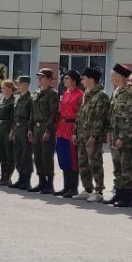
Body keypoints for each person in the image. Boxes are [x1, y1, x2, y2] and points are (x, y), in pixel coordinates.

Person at [106, 64, 132, 207]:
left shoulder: (131, 93)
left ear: (120, 76)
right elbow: (111, 114)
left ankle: (126, 197)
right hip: (114, 135)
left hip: (125, 138)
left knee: (126, 167)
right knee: (117, 167)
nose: (111, 77)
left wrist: (123, 137)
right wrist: (109, 132)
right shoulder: (116, 91)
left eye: (112, 75)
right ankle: (118, 193)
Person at [76, 68, 110, 201]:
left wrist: (94, 136)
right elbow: (80, 114)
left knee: (95, 163)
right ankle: (87, 188)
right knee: (83, 162)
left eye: (84, 78)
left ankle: (99, 191)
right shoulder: (87, 94)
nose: (82, 81)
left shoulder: (101, 96)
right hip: (82, 134)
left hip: (92, 136)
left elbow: (100, 118)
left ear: (91, 79)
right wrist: (75, 132)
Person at [54, 70, 83, 198]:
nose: (64, 80)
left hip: (71, 127)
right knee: (63, 158)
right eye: (64, 78)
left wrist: (76, 131)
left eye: (67, 78)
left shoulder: (80, 94)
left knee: (72, 159)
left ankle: (73, 188)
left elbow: (79, 115)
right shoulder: (65, 93)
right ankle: (66, 186)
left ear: (74, 81)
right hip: (62, 127)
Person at [30, 69, 59, 193]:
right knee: (37, 157)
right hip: (36, 127)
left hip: (46, 126)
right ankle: (41, 181)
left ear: (49, 79)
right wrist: (30, 129)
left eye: (42, 77)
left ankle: (49, 184)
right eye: (39, 77)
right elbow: (33, 112)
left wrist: (48, 130)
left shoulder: (52, 93)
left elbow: (53, 114)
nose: (39, 79)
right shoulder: (36, 92)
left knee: (46, 156)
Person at [10, 76, 34, 189]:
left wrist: (30, 130)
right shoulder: (17, 98)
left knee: (26, 155)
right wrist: (12, 130)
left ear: (25, 84)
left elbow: (31, 116)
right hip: (17, 128)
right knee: (18, 155)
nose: (17, 86)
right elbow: (14, 116)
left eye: (18, 83)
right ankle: (20, 179)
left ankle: (26, 181)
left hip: (25, 128)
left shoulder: (31, 99)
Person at [0, 79, 17, 185]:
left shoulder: (14, 101)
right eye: (1, 88)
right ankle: (3, 177)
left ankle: (8, 178)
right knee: (1, 154)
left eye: (4, 87)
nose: (1, 89)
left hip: (8, 129)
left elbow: (14, 118)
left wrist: (12, 131)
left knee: (9, 155)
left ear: (10, 88)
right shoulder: (1, 100)